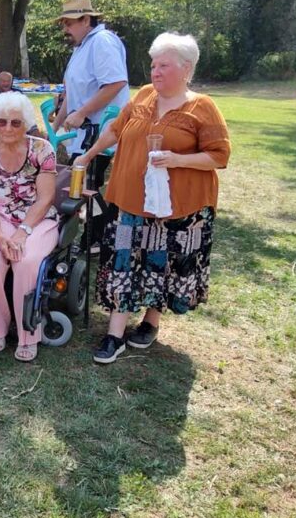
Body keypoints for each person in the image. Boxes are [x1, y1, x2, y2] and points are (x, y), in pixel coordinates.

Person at [76, 32, 231, 365]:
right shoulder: (144, 95)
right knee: (122, 260)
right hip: (128, 199)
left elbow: (219, 156)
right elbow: (115, 130)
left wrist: (177, 159)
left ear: (186, 69)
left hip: (179, 206)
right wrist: (88, 156)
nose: (155, 72)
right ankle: (114, 334)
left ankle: (150, 321)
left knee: (162, 262)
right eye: (153, 65)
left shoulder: (202, 107)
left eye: (164, 66)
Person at [0, 93, 57, 362]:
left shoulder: (42, 150)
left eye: (16, 123)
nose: (8, 128)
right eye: (2, 122)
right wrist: (0, 236)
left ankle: (28, 332)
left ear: (26, 124)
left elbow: (44, 198)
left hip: (35, 218)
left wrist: (21, 234)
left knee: (27, 260)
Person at [53, 0, 129, 158]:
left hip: (101, 135)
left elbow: (116, 83)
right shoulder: (81, 46)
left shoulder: (102, 41)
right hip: (84, 136)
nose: (65, 30)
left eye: (68, 24)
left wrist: (81, 113)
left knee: (83, 182)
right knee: (74, 181)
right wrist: (53, 129)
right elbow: (72, 94)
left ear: (86, 20)